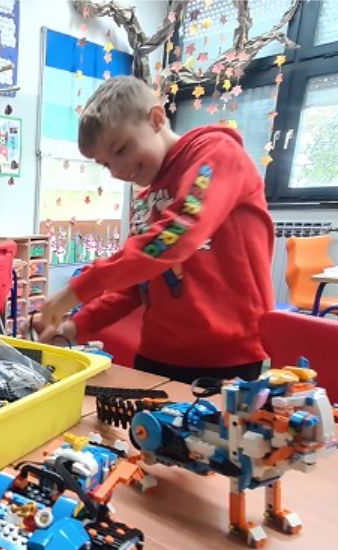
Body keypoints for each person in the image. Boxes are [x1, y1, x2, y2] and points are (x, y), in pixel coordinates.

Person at [31, 76, 275, 384]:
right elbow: (133, 285)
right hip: (156, 356)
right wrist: (74, 327)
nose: (118, 171)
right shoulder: (146, 200)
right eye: (106, 164)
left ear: (156, 119)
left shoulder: (217, 154)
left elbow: (179, 232)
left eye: (121, 149)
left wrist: (79, 288)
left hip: (228, 359)